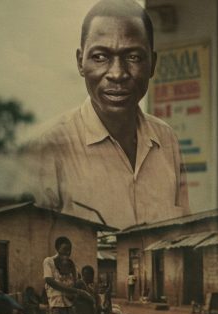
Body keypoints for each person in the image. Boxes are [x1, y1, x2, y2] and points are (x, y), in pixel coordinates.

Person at [20, 0, 190, 230]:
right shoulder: (47, 147)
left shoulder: (166, 139)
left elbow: (182, 238)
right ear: (80, 62)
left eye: (133, 57)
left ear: (152, 64)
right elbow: (31, 249)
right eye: (100, 57)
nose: (117, 74)